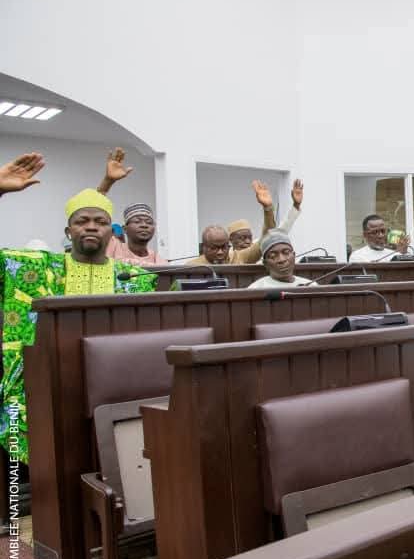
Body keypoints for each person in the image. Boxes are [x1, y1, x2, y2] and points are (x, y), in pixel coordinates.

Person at [1, 184, 156, 463]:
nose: (91, 227)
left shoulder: (134, 278)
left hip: (115, 386)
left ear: (112, 232)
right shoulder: (38, 268)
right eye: (82, 221)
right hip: (53, 383)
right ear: (68, 231)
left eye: (101, 222)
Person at [188, 181, 277, 265]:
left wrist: (268, 208)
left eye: (224, 247)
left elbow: (266, 238)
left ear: (228, 245)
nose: (220, 252)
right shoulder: (192, 267)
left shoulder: (239, 258)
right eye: (214, 248)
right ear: (204, 247)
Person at [226, 179, 305, 252]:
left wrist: (296, 205)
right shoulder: (224, 256)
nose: (247, 241)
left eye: (250, 238)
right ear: (231, 240)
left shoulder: (256, 248)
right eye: (242, 238)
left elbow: (278, 231)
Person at [349, 214, 414, 263]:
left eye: (383, 231)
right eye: (375, 232)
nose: (380, 235)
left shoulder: (394, 254)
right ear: (365, 235)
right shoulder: (357, 256)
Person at [248, 231, 313, 289]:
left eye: (286, 253)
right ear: (265, 263)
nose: (281, 260)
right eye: (273, 256)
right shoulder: (256, 289)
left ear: (294, 255)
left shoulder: (311, 286)